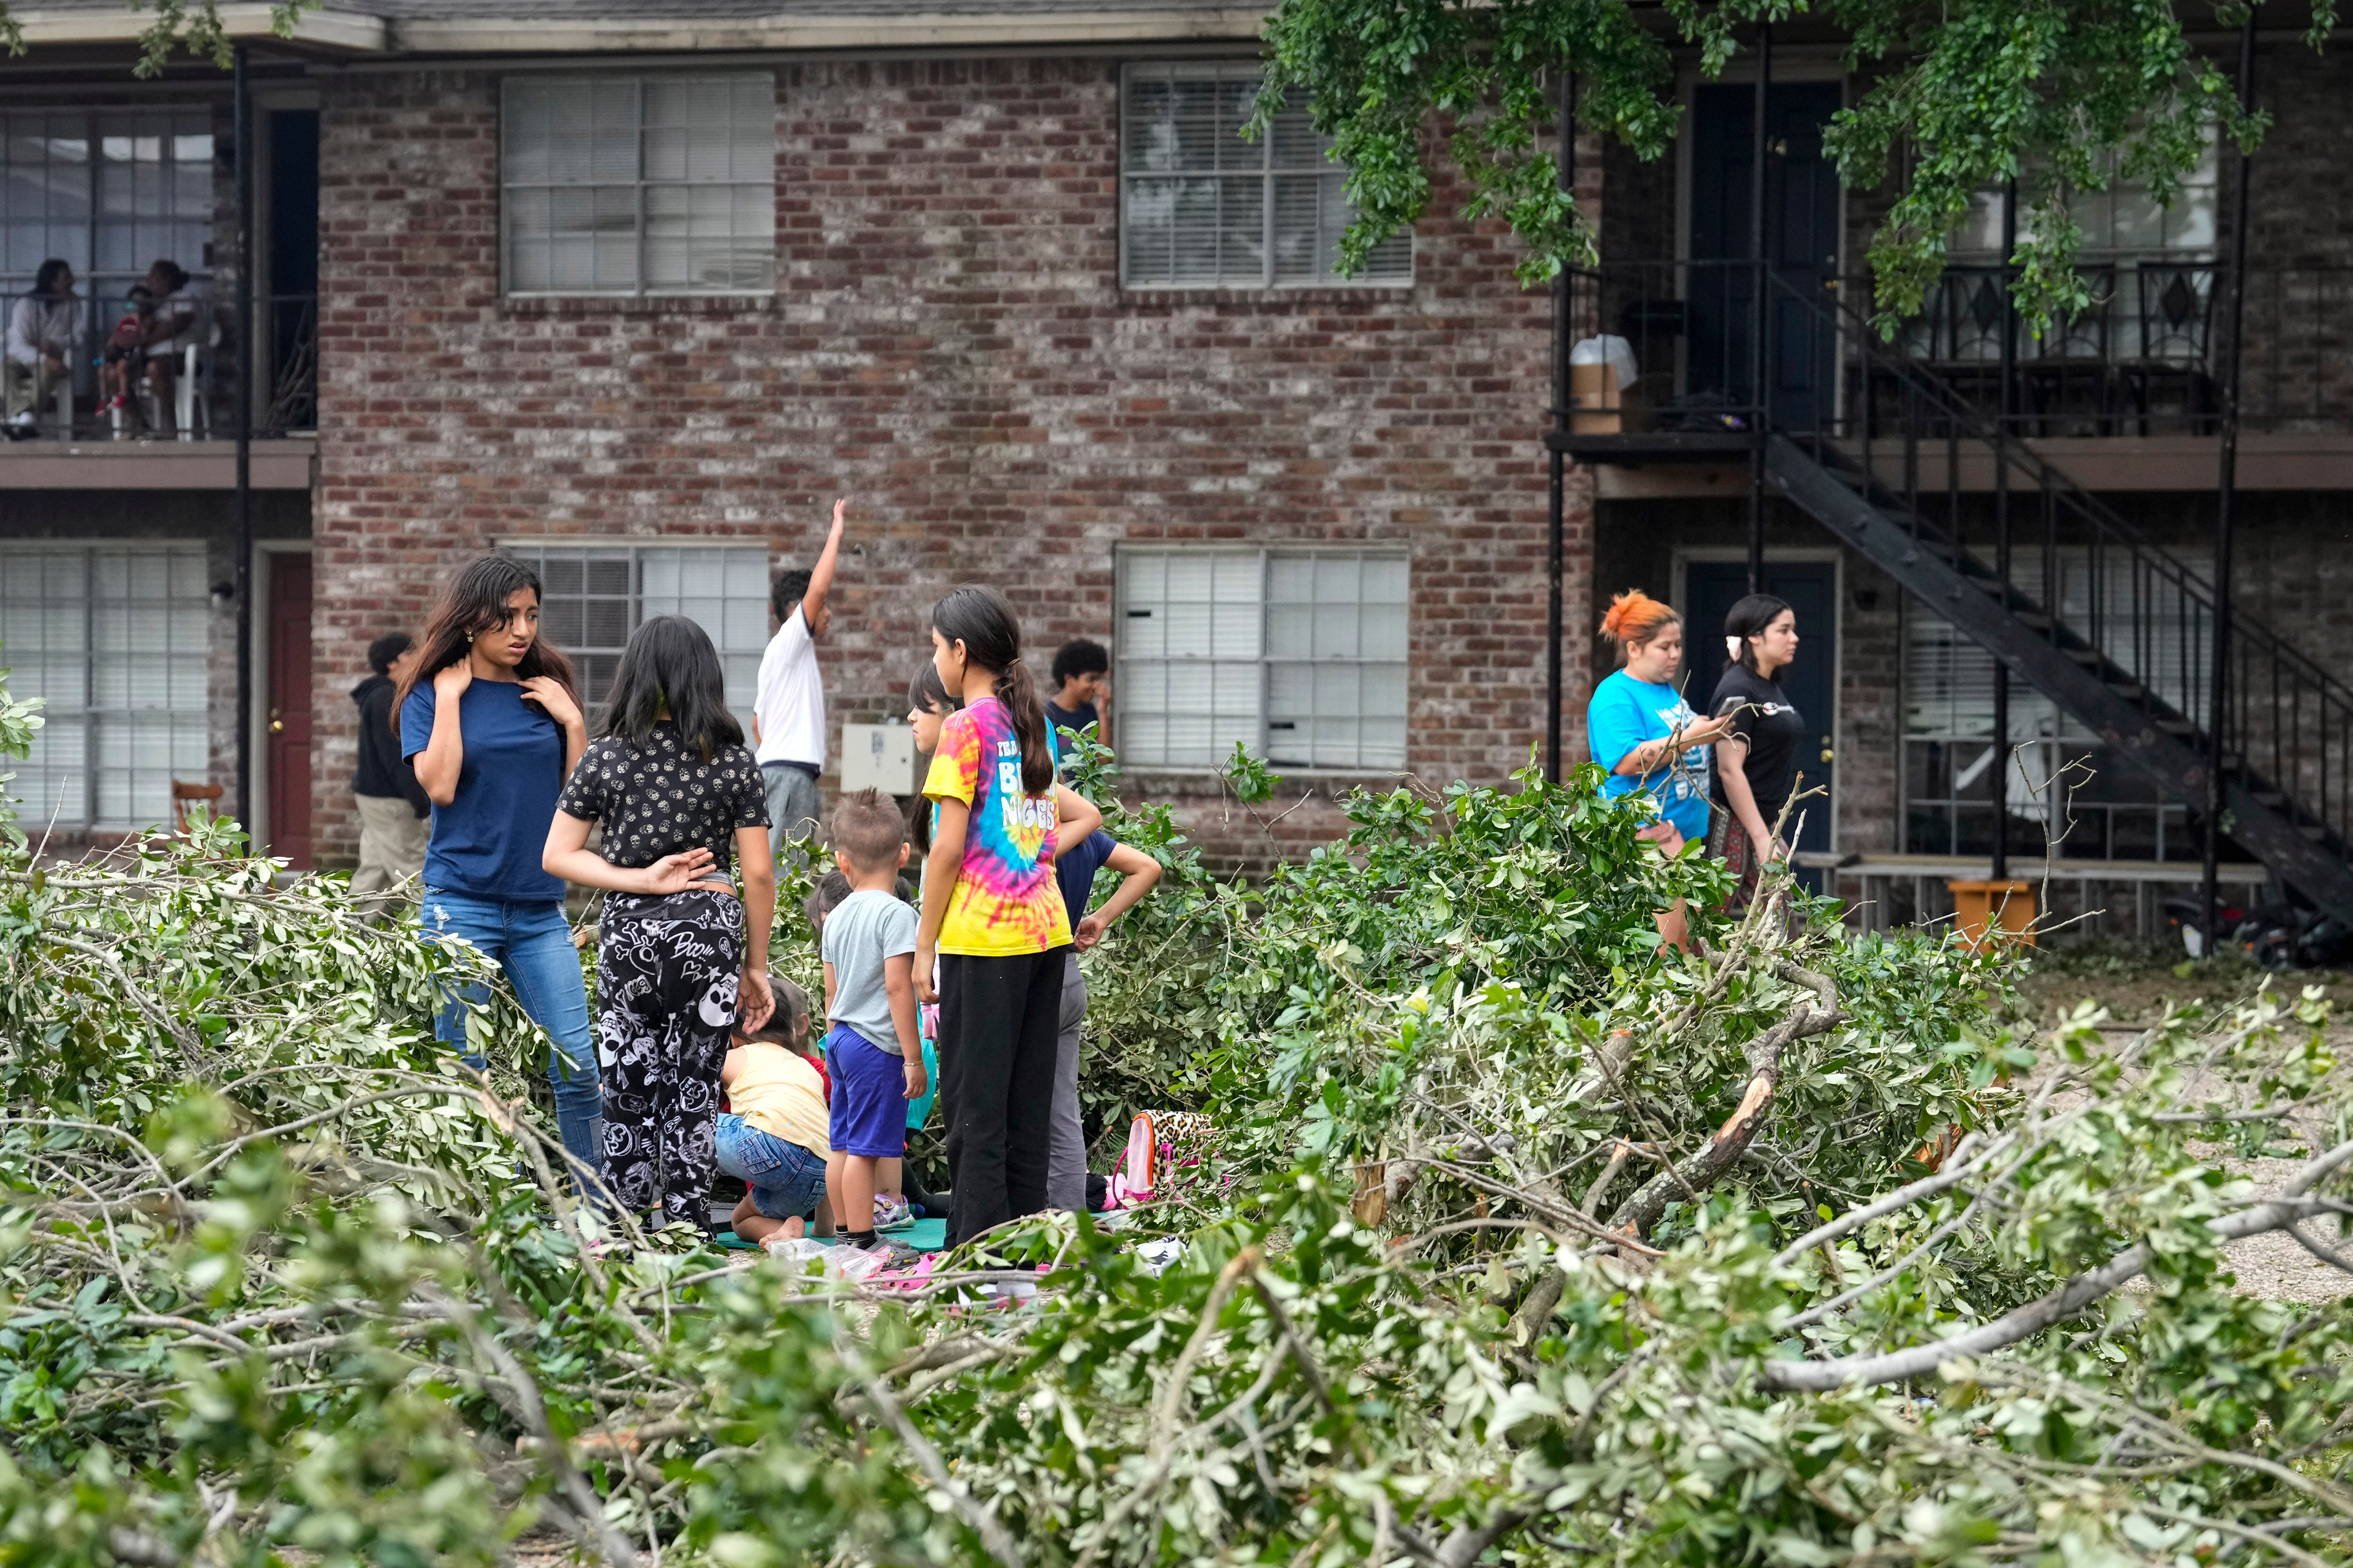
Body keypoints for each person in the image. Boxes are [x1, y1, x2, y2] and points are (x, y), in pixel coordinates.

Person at [543, 615, 776, 1234]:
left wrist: (639, 880)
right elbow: (757, 875)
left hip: (630, 941)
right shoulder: (732, 762)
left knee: (628, 1089)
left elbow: (558, 855)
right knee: (694, 1091)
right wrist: (756, 967)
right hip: (710, 935)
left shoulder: (609, 758)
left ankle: (623, 1230)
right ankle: (689, 1230)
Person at [398, 555, 603, 1184]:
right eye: (507, 617)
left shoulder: (545, 692)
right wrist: (454, 701)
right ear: (470, 621)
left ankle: (597, 1215)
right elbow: (440, 785)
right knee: (468, 1072)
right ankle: (487, 1215)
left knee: (578, 1068)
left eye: (532, 617)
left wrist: (573, 722)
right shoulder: (431, 696)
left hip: (540, 910)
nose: (522, 631)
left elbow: (581, 806)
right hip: (459, 904)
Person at [913, 586, 1096, 1248]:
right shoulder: (1034, 724)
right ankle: (1023, 1254)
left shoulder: (965, 728)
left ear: (961, 653)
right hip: (1047, 937)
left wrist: (922, 946)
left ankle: (975, 1262)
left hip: (985, 941)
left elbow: (947, 851)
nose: (934, 660)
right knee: (1025, 1111)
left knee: (976, 1116)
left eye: (936, 647)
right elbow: (1039, 832)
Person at [1587, 589, 1736, 954]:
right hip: (1650, 841)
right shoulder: (1615, 696)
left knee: (1696, 947)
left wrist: (1701, 726)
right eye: (1664, 647)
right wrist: (1694, 736)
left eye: (1677, 645)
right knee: (1672, 956)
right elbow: (1628, 761)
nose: (1675, 654)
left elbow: (1677, 736)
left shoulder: (1666, 690)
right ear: (1634, 648)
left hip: (1681, 839)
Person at [816, 788, 926, 1257]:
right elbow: (899, 988)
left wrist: (834, 1034)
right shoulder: (899, 914)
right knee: (865, 1148)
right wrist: (913, 1057)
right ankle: (864, 1239)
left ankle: (845, 1229)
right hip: (875, 1045)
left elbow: (830, 989)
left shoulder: (836, 914)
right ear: (904, 854)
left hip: (839, 1037)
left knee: (841, 1142)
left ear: (842, 861)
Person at [1046, 826, 1162, 1211]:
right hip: (1070, 976)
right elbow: (1148, 867)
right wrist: (1102, 917)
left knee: (1018, 1110)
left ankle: (1026, 1215)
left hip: (1033, 975)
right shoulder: (1088, 839)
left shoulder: (1033, 834)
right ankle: (1070, 1220)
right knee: (1063, 1112)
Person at [755, 498, 848, 861]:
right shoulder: (792, 641)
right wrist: (837, 530)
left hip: (783, 774)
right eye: (821, 607)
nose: (828, 613)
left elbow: (757, 724)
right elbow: (819, 590)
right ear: (797, 610)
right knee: (789, 877)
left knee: (786, 873)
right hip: (788, 777)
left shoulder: (783, 658)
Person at [716, 975, 835, 1245]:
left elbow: (684, 1083)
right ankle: (786, 1231)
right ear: (796, 1029)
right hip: (816, 1176)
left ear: (734, 1037)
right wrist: (825, 1227)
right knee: (741, 1220)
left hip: (770, 1147)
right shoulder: (808, 1070)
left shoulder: (736, 1057)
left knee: (687, 1121)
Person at [1708, 593, 1809, 912]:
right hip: (1732, 825)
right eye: (1783, 630)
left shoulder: (1769, 686)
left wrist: (1770, 832)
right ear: (1754, 636)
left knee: (1778, 929)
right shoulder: (1738, 688)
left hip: (1762, 822)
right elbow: (1729, 769)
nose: (1794, 638)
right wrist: (1761, 835)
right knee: (1708, 922)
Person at [351, 631, 432, 923]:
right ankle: (438, 936)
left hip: (374, 795)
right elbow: (395, 756)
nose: (419, 657)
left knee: (374, 869)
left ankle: (346, 935)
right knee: (414, 867)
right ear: (394, 663)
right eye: (412, 654)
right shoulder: (386, 698)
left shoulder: (379, 694)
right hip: (390, 799)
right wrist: (420, 800)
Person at [4, 259, 77, 440]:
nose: (72, 280)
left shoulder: (73, 303)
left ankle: (17, 420)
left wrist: (53, 344)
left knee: (47, 372)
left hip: (53, 356)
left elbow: (79, 335)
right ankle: (24, 417)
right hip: (21, 358)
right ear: (52, 282)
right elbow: (18, 345)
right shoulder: (26, 304)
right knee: (4, 372)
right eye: (66, 277)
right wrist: (43, 357)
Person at [135, 260, 208, 434]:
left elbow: (178, 324)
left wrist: (145, 340)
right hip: (149, 357)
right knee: (111, 371)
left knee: (155, 369)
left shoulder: (184, 297)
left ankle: (172, 425)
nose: (149, 281)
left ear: (167, 279)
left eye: (153, 277)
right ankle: (140, 427)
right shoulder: (154, 305)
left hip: (179, 357)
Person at [1045, 638, 1110, 762]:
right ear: (1069, 679)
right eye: (1091, 679)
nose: (1096, 686)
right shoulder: (1049, 715)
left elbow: (1105, 762)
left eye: (1098, 680)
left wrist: (1103, 712)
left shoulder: (1089, 712)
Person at [97, 284, 155, 420]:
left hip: (135, 358)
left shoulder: (148, 320)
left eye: (140, 304)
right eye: (132, 304)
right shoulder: (126, 321)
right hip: (119, 354)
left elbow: (144, 337)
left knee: (121, 369)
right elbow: (114, 338)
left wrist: (138, 322)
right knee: (106, 372)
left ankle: (131, 412)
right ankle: (106, 400)